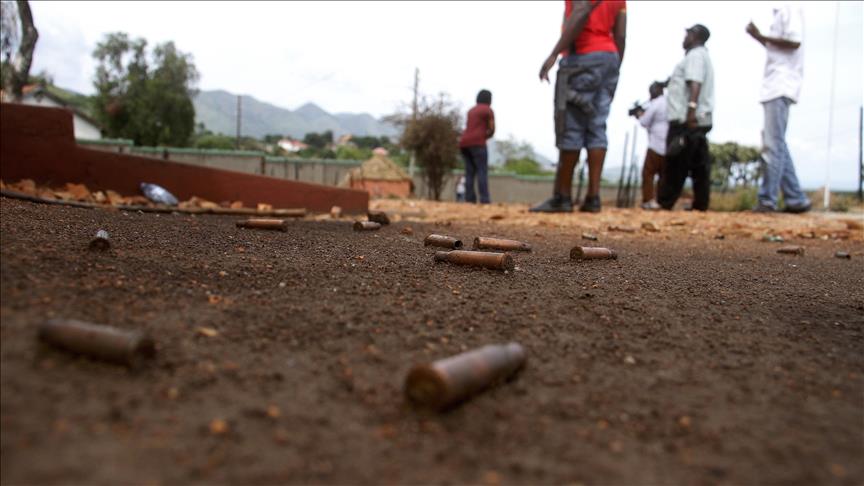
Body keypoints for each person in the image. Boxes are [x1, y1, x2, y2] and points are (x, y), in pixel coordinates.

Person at [530, 0, 627, 213]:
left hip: (582, 57)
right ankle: (593, 197)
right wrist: (614, 66)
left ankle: (562, 197)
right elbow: (620, 35)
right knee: (597, 126)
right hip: (609, 57)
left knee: (571, 125)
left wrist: (554, 53)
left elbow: (581, 10)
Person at [747, 4, 811, 213]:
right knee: (777, 142)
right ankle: (795, 198)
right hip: (775, 85)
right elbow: (777, 48)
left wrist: (760, 35)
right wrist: (757, 37)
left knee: (773, 145)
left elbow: (794, 42)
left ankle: (767, 199)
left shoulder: (789, 8)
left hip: (780, 84)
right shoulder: (781, 12)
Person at [657, 24, 715, 212]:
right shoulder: (701, 56)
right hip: (699, 118)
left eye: (688, 34)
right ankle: (701, 204)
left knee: (676, 161)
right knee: (699, 163)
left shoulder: (695, 56)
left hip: (687, 120)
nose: (685, 37)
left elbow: (695, 82)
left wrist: (691, 111)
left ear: (695, 36)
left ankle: (665, 202)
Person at [630, 80, 669, 210]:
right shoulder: (668, 102)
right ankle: (662, 200)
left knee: (648, 173)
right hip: (668, 144)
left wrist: (639, 115)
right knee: (663, 175)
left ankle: (648, 200)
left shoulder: (656, 104)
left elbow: (644, 122)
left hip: (656, 144)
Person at [459, 90, 495, 204]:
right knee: (481, 171)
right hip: (478, 143)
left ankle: (469, 199)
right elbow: (492, 128)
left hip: (464, 143)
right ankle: (484, 199)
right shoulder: (487, 110)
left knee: (469, 172)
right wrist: (485, 136)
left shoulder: (471, 110)